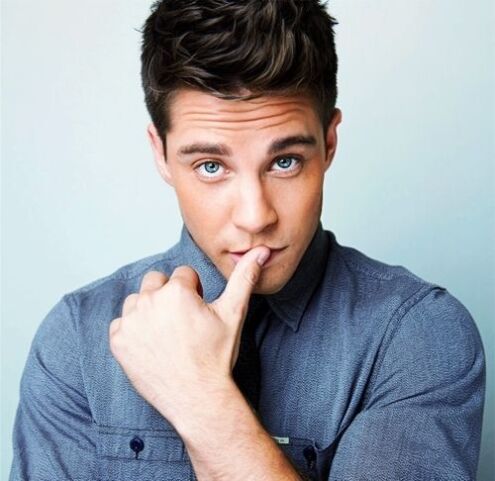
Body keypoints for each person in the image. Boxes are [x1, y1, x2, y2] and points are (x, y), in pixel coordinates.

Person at [9, 1, 486, 480]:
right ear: (161, 154)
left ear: (329, 143)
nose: (256, 216)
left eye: (285, 162)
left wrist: (200, 398)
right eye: (210, 166)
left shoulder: (417, 335)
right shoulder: (78, 338)